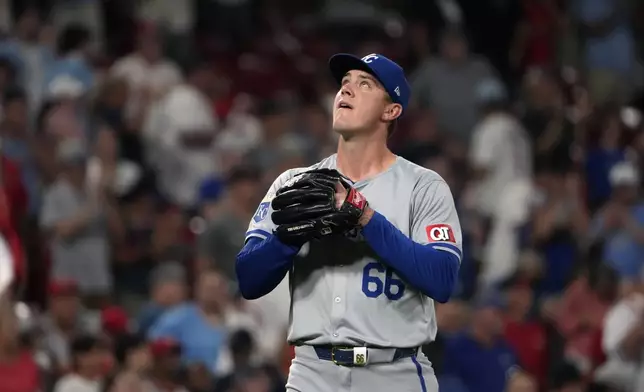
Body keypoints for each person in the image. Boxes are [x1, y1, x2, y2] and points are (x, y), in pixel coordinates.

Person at [236, 53, 462, 391]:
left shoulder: (423, 186)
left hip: (395, 372)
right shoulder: (294, 183)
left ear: (391, 110)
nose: (346, 91)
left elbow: (442, 279)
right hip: (312, 372)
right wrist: (288, 238)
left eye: (364, 84)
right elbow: (248, 279)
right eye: (344, 84)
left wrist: (366, 217)